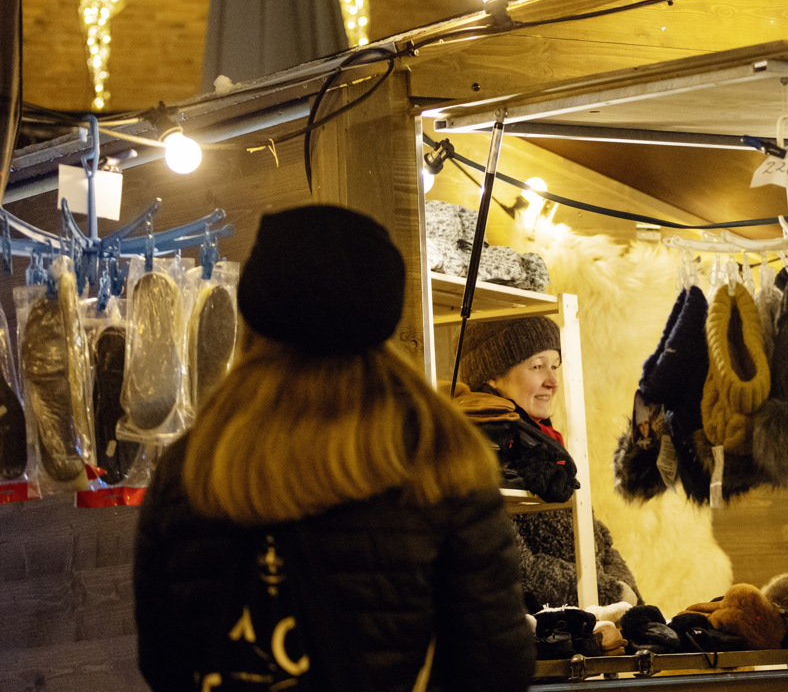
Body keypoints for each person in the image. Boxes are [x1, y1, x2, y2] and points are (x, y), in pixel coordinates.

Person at [134, 204, 534, 692]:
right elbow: (495, 665)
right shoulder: (441, 454)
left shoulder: (191, 468)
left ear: (253, 318)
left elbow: (163, 663)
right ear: (383, 315)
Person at [454, 314, 641, 610]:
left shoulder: (547, 443)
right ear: (492, 376)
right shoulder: (478, 451)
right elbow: (517, 566)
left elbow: (599, 539)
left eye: (555, 366)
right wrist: (610, 593)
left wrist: (626, 594)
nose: (553, 381)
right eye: (537, 366)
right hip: (541, 632)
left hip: (590, 617)